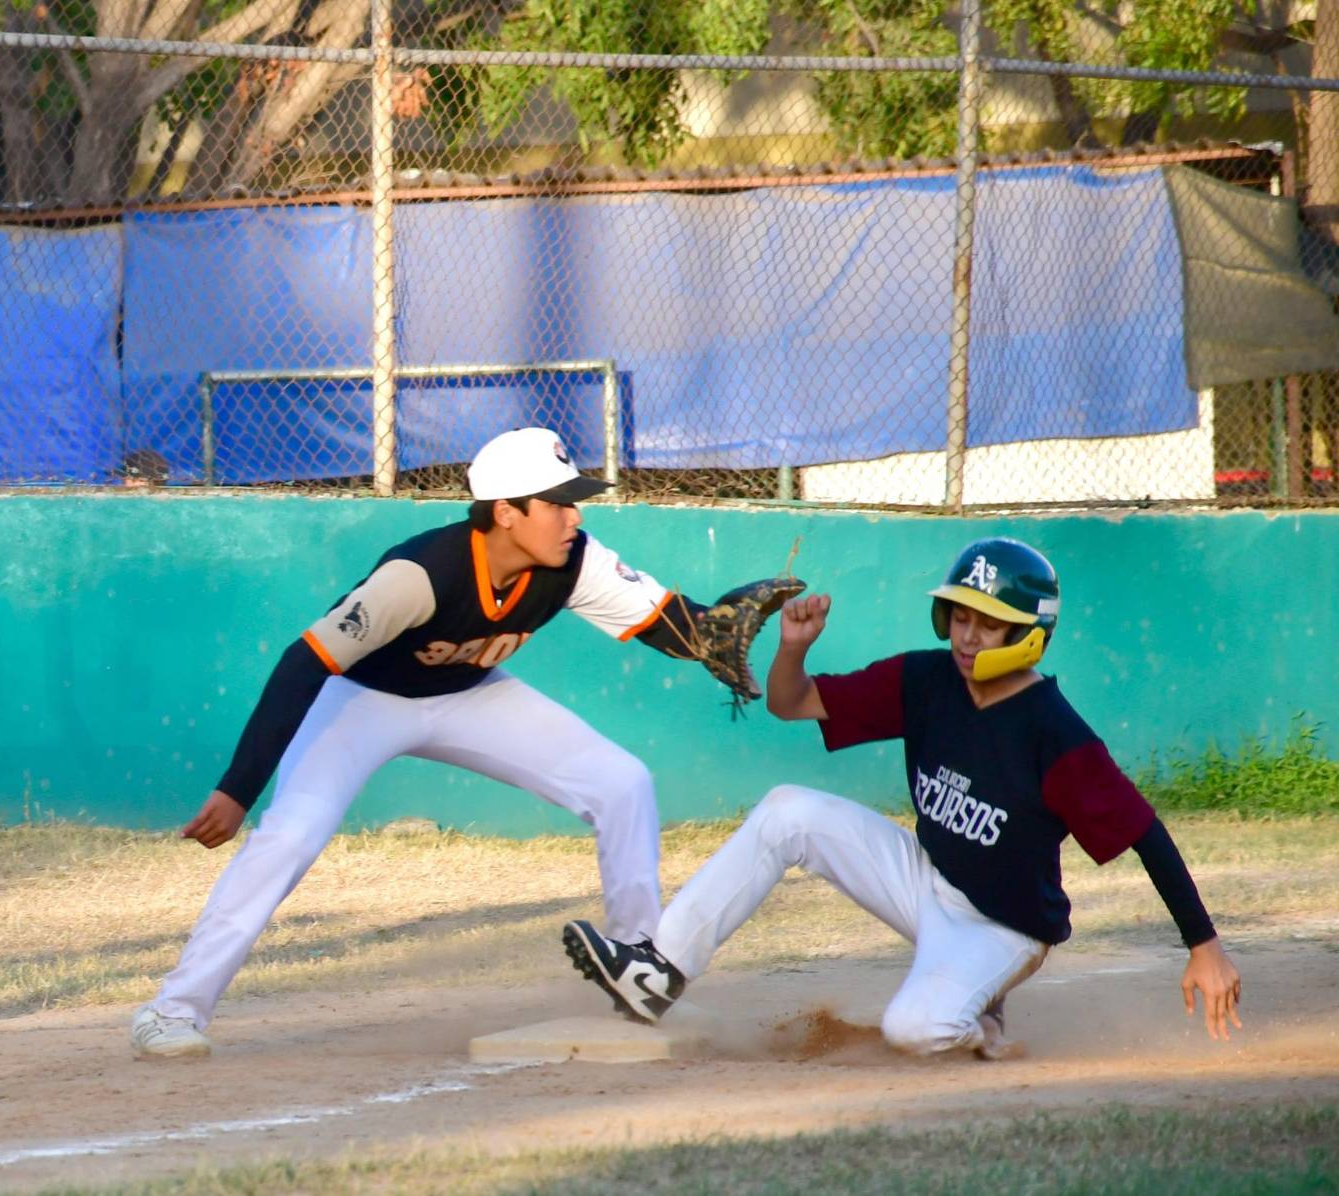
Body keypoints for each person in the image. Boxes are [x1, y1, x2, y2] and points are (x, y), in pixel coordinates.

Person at [129, 426, 802, 1058]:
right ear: (505, 512)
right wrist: (237, 788)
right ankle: (173, 1011)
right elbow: (306, 660)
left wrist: (715, 630)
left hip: (471, 695)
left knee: (622, 782)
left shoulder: (574, 561)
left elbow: (675, 627)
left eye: (575, 503)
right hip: (362, 703)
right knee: (292, 835)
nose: (574, 517)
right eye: (557, 504)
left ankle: (639, 972)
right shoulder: (419, 576)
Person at [561, 537, 1243, 1059]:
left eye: (990, 622)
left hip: (1002, 926)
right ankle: (658, 969)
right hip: (924, 878)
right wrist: (793, 648)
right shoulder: (928, 679)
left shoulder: (1051, 731)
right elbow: (791, 703)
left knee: (914, 1031)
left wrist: (1204, 947)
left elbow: (1143, 831)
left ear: (1030, 632)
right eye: (961, 617)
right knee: (787, 811)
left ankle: (979, 1016)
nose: (969, 636)